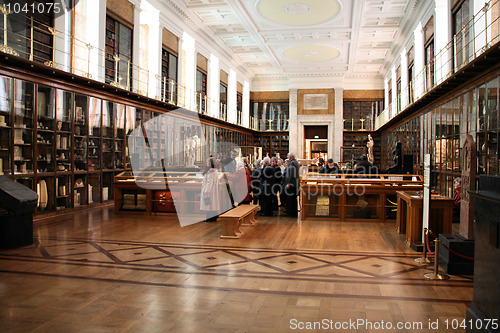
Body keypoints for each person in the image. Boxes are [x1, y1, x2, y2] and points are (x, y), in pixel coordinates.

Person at [200, 157, 220, 222]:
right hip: (213, 189)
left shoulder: (211, 171)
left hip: (210, 190)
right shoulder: (215, 170)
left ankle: (209, 218)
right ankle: (213, 217)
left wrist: (206, 190)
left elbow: (209, 182)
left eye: (208, 162)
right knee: (213, 204)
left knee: (208, 205)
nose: (207, 163)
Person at [283, 152, 300, 217]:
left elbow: (291, 174)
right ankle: (293, 212)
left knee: (290, 199)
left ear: (290, 157)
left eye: (288, 156)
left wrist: (289, 183)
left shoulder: (292, 163)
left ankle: (291, 213)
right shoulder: (296, 162)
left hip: (291, 184)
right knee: (293, 199)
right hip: (294, 183)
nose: (287, 157)